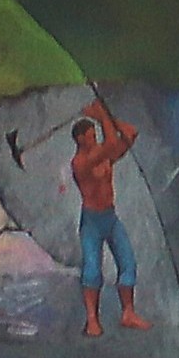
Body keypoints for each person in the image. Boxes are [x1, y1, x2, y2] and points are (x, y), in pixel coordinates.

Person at [65, 103, 144, 335]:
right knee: (92, 269)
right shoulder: (80, 162)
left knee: (127, 262)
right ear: (79, 140)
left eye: (94, 135)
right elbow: (110, 143)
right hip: (92, 221)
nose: (93, 139)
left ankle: (128, 313)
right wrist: (101, 116)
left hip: (110, 217)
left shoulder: (103, 155)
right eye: (89, 137)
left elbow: (130, 134)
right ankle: (92, 320)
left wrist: (108, 116)